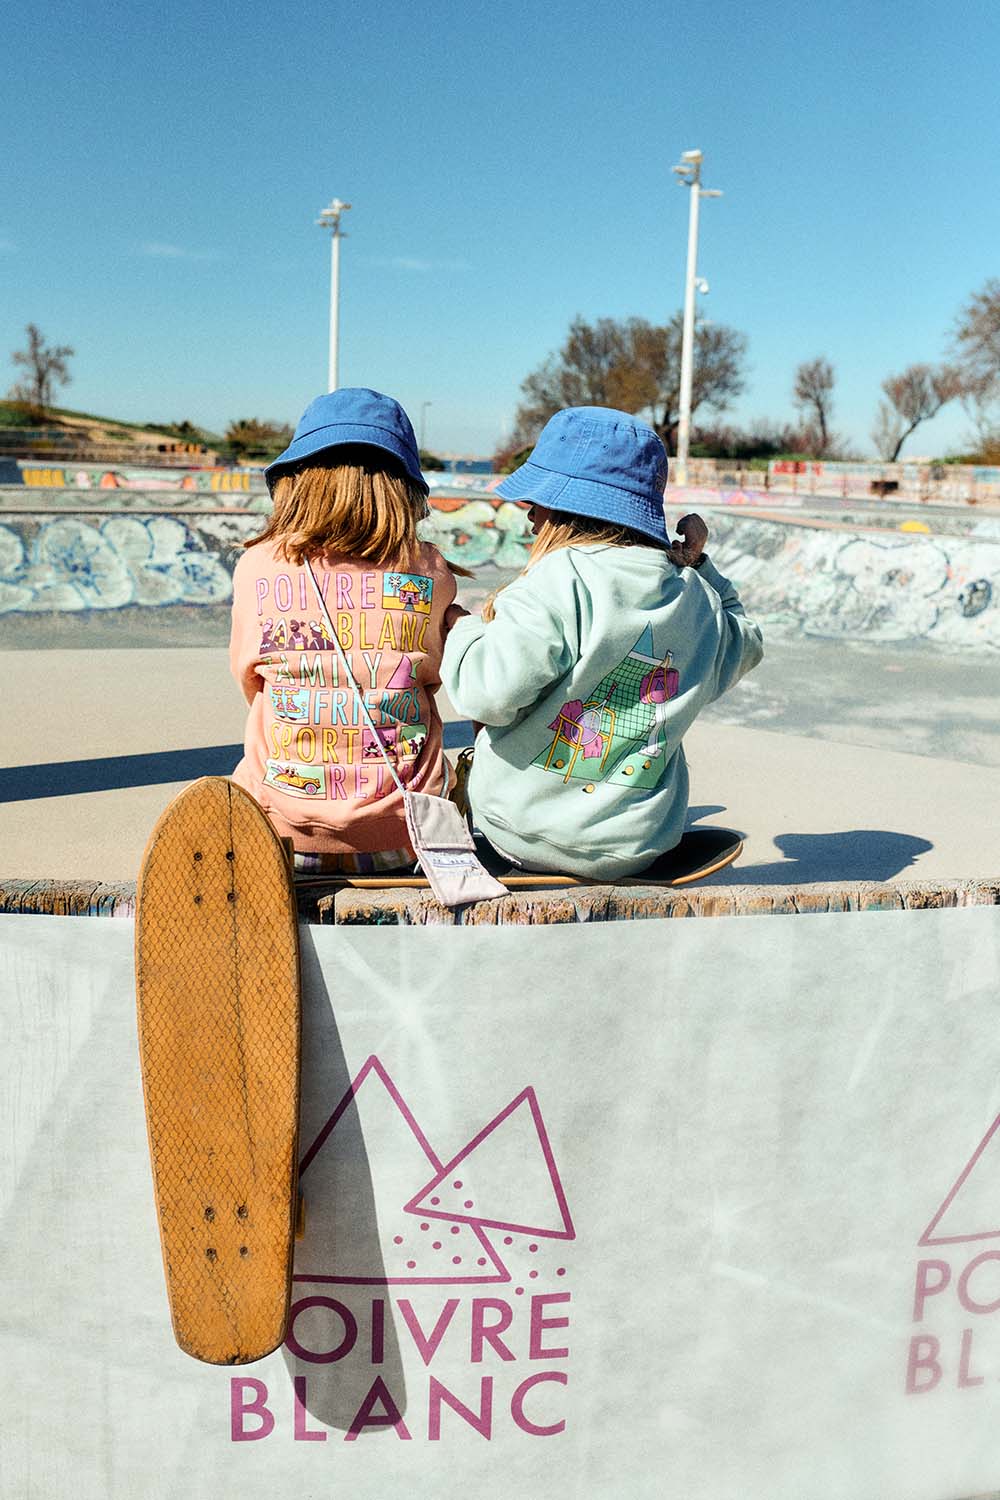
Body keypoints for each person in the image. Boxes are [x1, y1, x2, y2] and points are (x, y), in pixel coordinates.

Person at [440, 405, 763, 880]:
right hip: (639, 845)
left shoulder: (559, 578)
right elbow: (747, 642)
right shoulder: (696, 596)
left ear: (567, 509)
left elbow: (485, 694)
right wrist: (700, 565)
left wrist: (464, 629)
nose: (529, 515)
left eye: (536, 502)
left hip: (522, 834)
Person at [229, 388, 461, 877]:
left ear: (296, 479)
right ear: (404, 486)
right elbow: (431, 677)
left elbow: (250, 680)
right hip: (403, 837)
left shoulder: (257, 566)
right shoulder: (429, 570)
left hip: (280, 833)